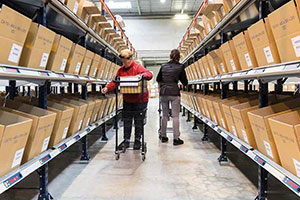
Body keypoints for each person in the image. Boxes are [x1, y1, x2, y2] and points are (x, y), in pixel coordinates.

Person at [102, 49, 153, 150]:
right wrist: (107, 88)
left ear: (131, 59)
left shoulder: (138, 67)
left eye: (125, 61)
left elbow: (149, 75)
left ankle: (138, 140)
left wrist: (142, 75)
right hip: (128, 99)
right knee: (127, 120)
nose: (124, 63)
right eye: (122, 61)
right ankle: (126, 140)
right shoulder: (121, 70)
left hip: (140, 100)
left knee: (138, 121)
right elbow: (115, 81)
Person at [156, 49, 188, 146]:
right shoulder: (181, 67)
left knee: (164, 115)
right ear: (179, 57)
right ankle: (176, 138)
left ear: (170, 56)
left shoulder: (163, 66)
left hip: (164, 92)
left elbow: (158, 79)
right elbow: (185, 82)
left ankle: (164, 136)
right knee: (175, 116)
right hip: (174, 92)